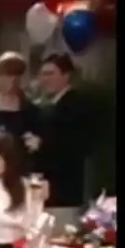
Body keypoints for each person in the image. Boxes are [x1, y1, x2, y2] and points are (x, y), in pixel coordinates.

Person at [37, 52, 96, 223]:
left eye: (50, 73)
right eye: (43, 74)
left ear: (66, 75)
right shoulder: (51, 104)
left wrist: (41, 143)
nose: (45, 79)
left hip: (65, 187)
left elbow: (75, 144)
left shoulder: (75, 104)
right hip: (48, 187)